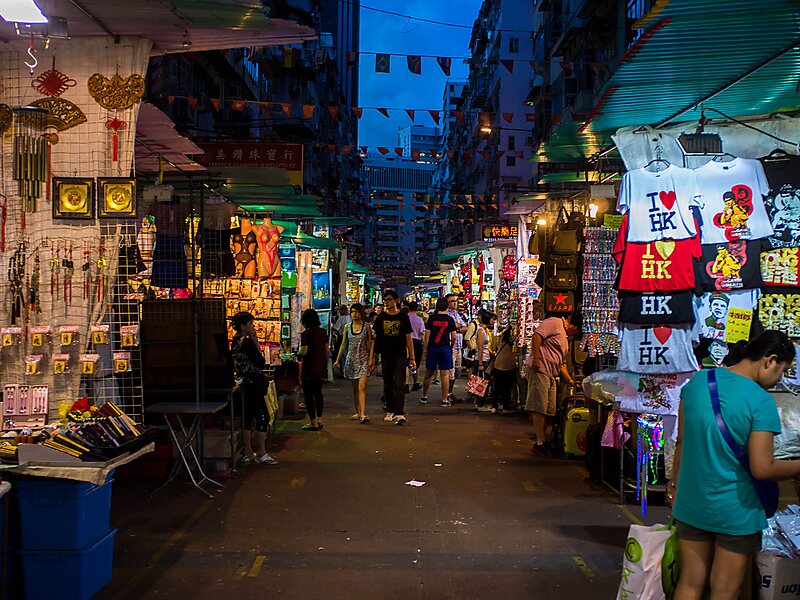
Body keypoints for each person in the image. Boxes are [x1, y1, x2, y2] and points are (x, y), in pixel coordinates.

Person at [672, 331, 799, 600]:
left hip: (692, 502)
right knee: (725, 590)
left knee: (689, 584)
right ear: (770, 360)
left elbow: (681, 442)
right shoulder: (760, 401)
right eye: (783, 370)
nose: (780, 379)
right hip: (735, 510)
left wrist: (674, 485)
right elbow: (763, 468)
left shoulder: (697, 382)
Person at [524, 313, 580, 456]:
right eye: (577, 331)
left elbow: (561, 364)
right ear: (573, 326)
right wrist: (536, 359)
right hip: (540, 370)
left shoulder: (565, 338)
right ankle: (540, 442)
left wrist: (571, 381)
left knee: (550, 409)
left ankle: (543, 439)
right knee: (539, 407)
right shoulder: (555, 323)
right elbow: (537, 336)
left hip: (552, 374)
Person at [230, 312, 278, 465]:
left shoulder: (235, 341)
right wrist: (256, 342)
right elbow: (260, 362)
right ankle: (262, 453)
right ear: (243, 326)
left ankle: (248, 452)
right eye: (250, 324)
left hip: (244, 383)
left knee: (247, 417)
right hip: (253, 383)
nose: (253, 326)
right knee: (263, 416)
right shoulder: (247, 342)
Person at [373, 290, 416, 425]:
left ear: (396, 300)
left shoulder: (403, 317)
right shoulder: (381, 317)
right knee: (388, 384)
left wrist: (412, 357)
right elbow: (375, 338)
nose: (387, 302)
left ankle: (399, 412)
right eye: (385, 300)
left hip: (400, 354)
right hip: (385, 355)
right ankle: (390, 410)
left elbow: (408, 337)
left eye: (389, 299)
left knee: (399, 384)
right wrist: (373, 357)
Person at [334, 303, 373, 424]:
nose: (355, 314)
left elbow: (371, 343)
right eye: (353, 312)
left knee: (362, 387)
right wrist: (337, 360)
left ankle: (363, 414)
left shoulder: (367, 327)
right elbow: (343, 344)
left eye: (357, 312)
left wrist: (371, 358)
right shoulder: (347, 327)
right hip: (351, 360)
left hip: (363, 359)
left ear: (361, 313)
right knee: (355, 388)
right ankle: (358, 411)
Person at [420, 297, 458, 406]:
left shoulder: (432, 318)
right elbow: (454, 336)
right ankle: (444, 399)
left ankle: (424, 396)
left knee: (429, 372)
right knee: (445, 374)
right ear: (447, 306)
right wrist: (451, 347)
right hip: (445, 347)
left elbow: (427, 334)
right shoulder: (450, 319)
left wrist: (426, 348)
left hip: (433, 347)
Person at [297, 309, 329, 431]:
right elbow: (326, 351)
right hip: (320, 367)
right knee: (318, 393)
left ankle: (313, 421)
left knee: (308, 396)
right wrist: (325, 365)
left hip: (309, 368)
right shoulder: (323, 332)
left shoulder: (306, 334)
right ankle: (320, 418)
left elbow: (303, 351)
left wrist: (297, 355)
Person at [490, 326, 517, 414]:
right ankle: (505, 407)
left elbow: (495, 347)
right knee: (507, 388)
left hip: (498, 365)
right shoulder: (513, 342)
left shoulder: (502, 337)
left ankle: (494, 406)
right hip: (509, 366)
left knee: (497, 387)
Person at [445, 294, 468, 402]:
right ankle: (447, 394)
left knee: (457, 369)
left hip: (459, 346)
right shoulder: (446, 314)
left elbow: (464, 327)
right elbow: (453, 327)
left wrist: (456, 328)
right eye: (452, 301)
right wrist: (457, 327)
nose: (455, 303)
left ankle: (450, 392)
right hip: (451, 346)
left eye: (456, 301)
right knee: (451, 371)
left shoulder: (456, 314)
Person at [474, 311, 497, 410]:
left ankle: (479, 403)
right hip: (482, 360)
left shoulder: (485, 330)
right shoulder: (481, 330)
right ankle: (479, 404)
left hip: (486, 358)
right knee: (481, 382)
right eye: (492, 319)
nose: (493, 321)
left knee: (485, 382)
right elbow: (479, 347)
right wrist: (479, 363)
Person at [407, 301, 426, 393]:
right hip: (417, 342)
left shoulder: (405, 317)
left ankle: (405, 383)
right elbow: (422, 333)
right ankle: (415, 383)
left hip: (406, 342)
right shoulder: (420, 319)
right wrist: (425, 345)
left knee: (406, 363)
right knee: (415, 364)